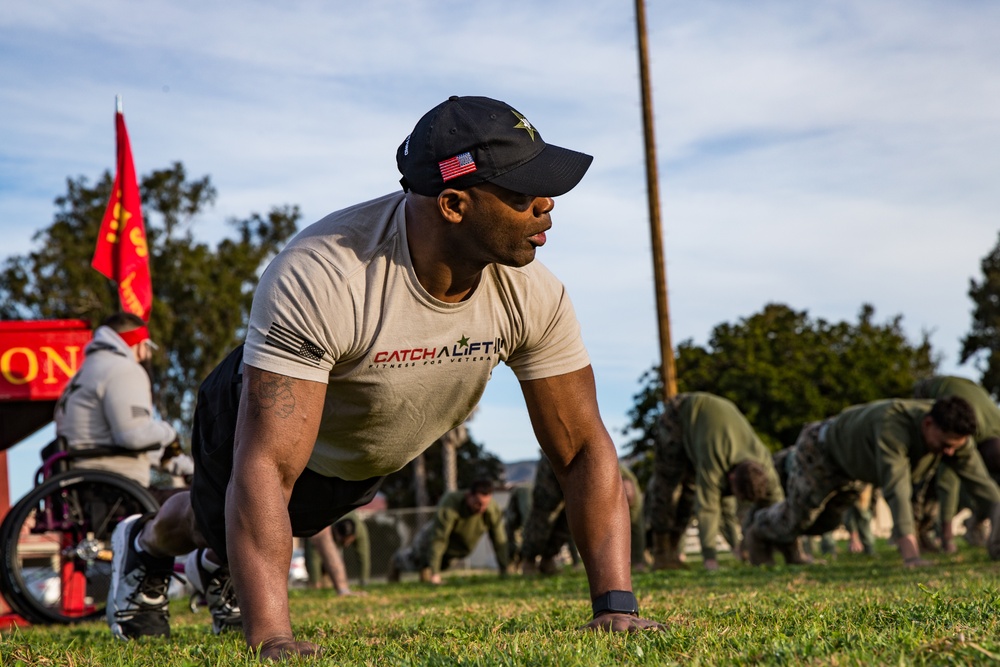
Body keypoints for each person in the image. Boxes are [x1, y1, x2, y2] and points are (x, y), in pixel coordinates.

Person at [105, 95, 662, 659]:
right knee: (212, 526)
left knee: (269, 528)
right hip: (262, 416)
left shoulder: (533, 294)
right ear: (452, 204)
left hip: (362, 455)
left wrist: (615, 607)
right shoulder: (325, 273)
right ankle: (145, 542)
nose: (547, 205)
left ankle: (218, 566)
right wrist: (273, 638)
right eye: (521, 195)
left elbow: (581, 449)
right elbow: (268, 468)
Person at [744, 397, 1000, 568]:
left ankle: (790, 549)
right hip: (822, 451)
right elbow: (897, 489)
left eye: (956, 447)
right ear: (928, 423)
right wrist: (911, 557)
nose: (950, 453)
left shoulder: (954, 436)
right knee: (801, 514)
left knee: (828, 522)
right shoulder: (893, 426)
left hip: (854, 470)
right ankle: (758, 530)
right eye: (945, 445)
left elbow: (983, 487)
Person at [53, 312, 192, 494]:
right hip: (115, 490)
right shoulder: (123, 370)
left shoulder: (83, 373)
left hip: (84, 485)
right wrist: (169, 432)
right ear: (140, 345)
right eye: (148, 348)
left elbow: (127, 442)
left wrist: (186, 467)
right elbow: (132, 437)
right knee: (201, 507)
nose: (148, 355)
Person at [648, 392, 787, 571]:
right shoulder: (716, 459)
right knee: (668, 485)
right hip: (681, 414)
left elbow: (778, 506)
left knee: (690, 493)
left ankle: (673, 552)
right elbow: (707, 508)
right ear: (731, 478)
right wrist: (710, 558)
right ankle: (661, 553)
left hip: (709, 427)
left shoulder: (765, 466)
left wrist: (791, 551)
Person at [912, 376, 1000, 551]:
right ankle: (920, 532)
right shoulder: (961, 426)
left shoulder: (989, 427)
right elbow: (947, 482)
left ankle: (977, 521)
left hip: (964, 386)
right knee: (929, 470)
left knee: (984, 485)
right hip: (931, 388)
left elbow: (986, 489)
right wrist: (947, 537)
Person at [520, 455, 644, 574]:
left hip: (585, 474)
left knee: (571, 518)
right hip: (557, 460)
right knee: (544, 514)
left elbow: (636, 524)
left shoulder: (630, 491)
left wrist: (638, 561)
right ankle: (529, 560)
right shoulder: (604, 477)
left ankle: (548, 559)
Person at [387, 480, 507, 583]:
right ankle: (397, 560)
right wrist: (435, 574)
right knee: (418, 560)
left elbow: (499, 540)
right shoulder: (452, 502)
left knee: (443, 564)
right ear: (469, 496)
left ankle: (428, 571)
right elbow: (439, 538)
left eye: (485, 505)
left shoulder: (491, 509)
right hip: (431, 537)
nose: (481, 509)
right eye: (478, 504)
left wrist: (505, 571)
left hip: (455, 547)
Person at [306, 511, 370, 594]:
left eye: (348, 541)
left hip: (343, 527)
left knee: (329, 583)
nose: (346, 545)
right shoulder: (323, 527)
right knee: (318, 575)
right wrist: (315, 582)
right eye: (343, 541)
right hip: (318, 528)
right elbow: (314, 557)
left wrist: (364, 581)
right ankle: (322, 585)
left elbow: (364, 557)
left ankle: (341, 589)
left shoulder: (360, 531)